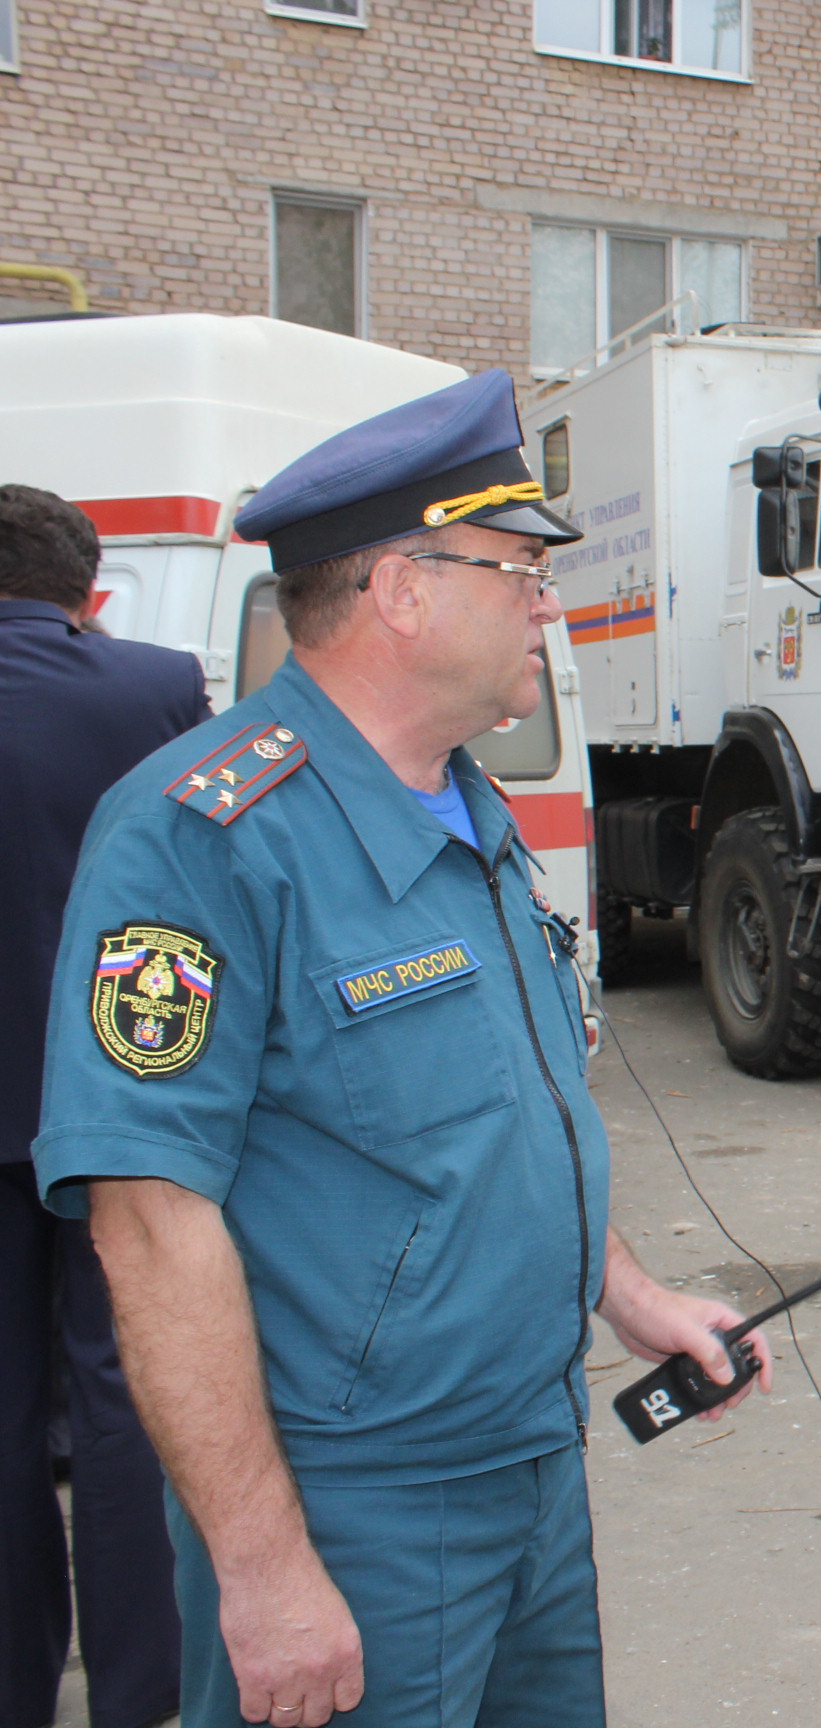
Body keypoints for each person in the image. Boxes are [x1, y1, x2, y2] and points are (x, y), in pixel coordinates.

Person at [32, 370, 777, 1728]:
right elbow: (147, 1221)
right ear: (402, 590)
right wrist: (263, 1576)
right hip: (353, 1500)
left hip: (532, 1461)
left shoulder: (465, 803)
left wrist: (633, 1298)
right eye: (519, 571)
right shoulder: (201, 834)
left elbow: (504, 1111)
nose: (547, 604)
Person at [1, 485, 205, 1728]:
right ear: (92, 599)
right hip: (115, 1105)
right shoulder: (155, 686)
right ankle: (143, 1694)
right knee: (128, 1401)